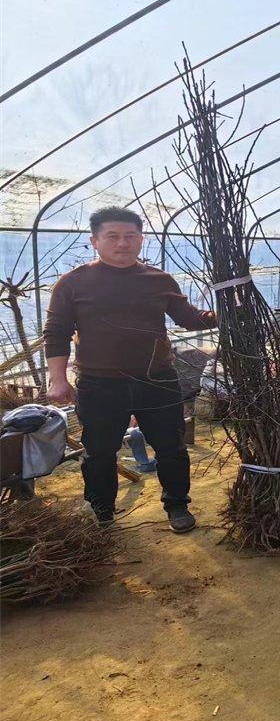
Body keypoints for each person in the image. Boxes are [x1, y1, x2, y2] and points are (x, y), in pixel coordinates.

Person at [43, 206, 216, 532]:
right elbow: (56, 332)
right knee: (99, 453)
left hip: (158, 379)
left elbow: (190, 319)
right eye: (113, 236)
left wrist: (233, 309)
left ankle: (177, 505)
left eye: (130, 236)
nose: (122, 243)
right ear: (95, 241)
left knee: (171, 448)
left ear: (141, 240)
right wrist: (57, 379)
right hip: (99, 384)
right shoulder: (73, 283)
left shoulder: (158, 279)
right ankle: (101, 512)